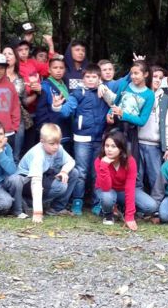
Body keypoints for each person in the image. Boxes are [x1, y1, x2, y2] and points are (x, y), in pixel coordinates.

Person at [53, 64, 111, 215]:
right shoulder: (77, 93)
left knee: (97, 172)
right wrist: (58, 107)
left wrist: (105, 91)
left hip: (100, 138)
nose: (91, 80)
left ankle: (97, 202)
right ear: (83, 79)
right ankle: (77, 201)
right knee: (82, 171)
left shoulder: (104, 92)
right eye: (88, 77)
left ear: (99, 79)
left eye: (94, 77)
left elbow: (117, 100)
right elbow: (67, 111)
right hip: (82, 139)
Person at [16, 123, 82, 222]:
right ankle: (30, 203)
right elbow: (36, 183)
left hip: (45, 175)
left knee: (74, 173)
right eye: (52, 144)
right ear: (42, 141)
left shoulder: (58, 148)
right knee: (61, 186)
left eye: (58, 143)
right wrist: (38, 212)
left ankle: (56, 208)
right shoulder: (38, 155)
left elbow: (71, 161)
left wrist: (64, 171)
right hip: (27, 182)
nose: (56, 147)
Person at [95, 131, 157, 229]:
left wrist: (129, 216)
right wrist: (104, 166)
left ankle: (121, 208)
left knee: (151, 206)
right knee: (107, 197)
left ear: (121, 148)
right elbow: (106, 187)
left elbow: (130, 188)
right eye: (107, 146)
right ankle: (108, 214)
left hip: (123, 191)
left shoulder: (130, 161)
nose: (109, 149)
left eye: (113, 146)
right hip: (106, 190)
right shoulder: (100, 161)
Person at [106, 61, 155, 162]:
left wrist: (123, 114)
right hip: (115, 127)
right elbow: (115, 103)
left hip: (130, 132)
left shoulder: (149, 95)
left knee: (126, 163)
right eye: (131, 73)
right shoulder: (125, 85)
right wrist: (109, 114)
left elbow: (142, 121)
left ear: (145, 74)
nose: (133, 76)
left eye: (136, 73)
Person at [135, 66, 168, 193]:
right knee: (137, 175)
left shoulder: (165, 99)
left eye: (161, 78)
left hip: (154, 144)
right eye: (155, 76)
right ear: (148, 76)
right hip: (137, 142)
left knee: (156, 176)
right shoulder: (138, 93)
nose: (157, 80)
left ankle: (157, 205)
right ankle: (138, 205)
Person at [37, 56, 73, 153]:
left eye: (61, 68)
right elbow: (42, 110)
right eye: (55, 68)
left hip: (65, 126)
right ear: (49, 70)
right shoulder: (45, 86)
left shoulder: (64, 85)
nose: (58, 71)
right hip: (52, 128)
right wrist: (44, 128)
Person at [3, 44, 32, 161]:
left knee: (16, 155)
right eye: (4, 54)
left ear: (15, 58)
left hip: (18, 119)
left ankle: (14, 178)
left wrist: (36, 93)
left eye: (10, 54)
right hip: (1, 118)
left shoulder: (20, 78)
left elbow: (24, 101)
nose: (7, 56)